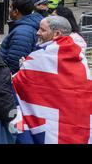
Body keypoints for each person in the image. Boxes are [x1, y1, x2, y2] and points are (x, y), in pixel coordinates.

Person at [13, 16, 92, 144]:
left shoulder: (39, 57)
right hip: (74, 128)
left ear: (56, 34)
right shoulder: (79, 56)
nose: (38, 32)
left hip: (50, 130)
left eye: (42, 30)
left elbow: (16, 83)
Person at [0, 0, 43, 74]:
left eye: (10, 7)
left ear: (16, 12)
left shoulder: (22, 33)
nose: (9, 9)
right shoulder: (24, 27)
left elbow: (15, 65)